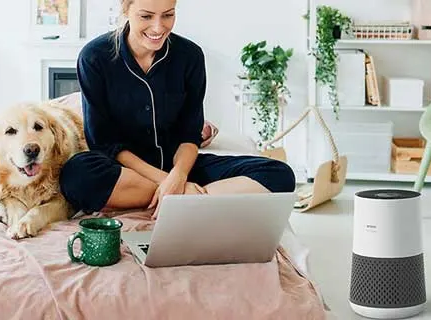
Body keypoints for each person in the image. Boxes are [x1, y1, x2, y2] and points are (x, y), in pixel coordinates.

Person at [59, 0, 295, 218]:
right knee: (76, 176)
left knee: (279, 174)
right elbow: (104, 143)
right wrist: (168, 182)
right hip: (125, 173)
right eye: (146, 16)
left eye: (168, 15)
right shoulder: (94, 57)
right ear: (125, 10)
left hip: (181, 166)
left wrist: (179, 176)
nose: (158, 27)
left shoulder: (189, 56)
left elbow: (189, 134)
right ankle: (189, 198)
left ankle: (172, 199)